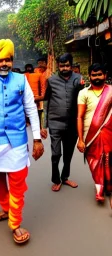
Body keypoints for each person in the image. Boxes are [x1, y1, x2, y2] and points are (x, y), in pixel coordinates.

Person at [0, 39, 44, 244]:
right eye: (0, 60)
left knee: (18, 182)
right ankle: (6, 208)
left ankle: (15, 221)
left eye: (8, 60)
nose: (4, 64)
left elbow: (31, 109)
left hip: (17, 141)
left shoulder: (21, 80)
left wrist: (37, 139)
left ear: (12, 61)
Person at [44, 53, 84, 192]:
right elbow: (46, 101)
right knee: (56, 154)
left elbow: (83, 100)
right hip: (55, 123)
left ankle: (65, 177)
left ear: (71, 65)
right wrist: (44, 125)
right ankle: (56, 179)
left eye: (67, 65)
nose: (64, 68)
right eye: (62, 66)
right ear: (58, 66)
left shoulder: (79, 79)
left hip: (72, 124)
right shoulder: (51, 80)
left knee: (68, 154)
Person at [77, 63, 112, 204]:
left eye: (99, 74)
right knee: (94, 162)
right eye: (93, 75)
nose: (96, 77)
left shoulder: (110, 91)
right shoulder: (83, 93)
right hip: (90, 135)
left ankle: (107, 186)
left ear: (105, 75)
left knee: (109, 160)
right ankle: (99, 187)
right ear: (89, 76)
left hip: (109, 133)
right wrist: (80, 139)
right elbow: (79, 116)